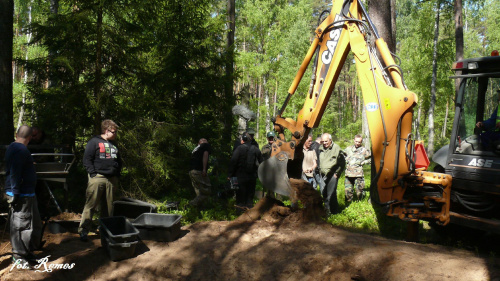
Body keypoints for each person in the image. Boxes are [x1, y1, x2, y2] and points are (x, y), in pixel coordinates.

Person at [4, 125, 42, 266]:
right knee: (21, 225)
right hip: (21, 194)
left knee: (31, 223)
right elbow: (15, 172)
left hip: (27, 193)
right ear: (30, 137)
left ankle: (27, 252)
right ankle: (19, 256)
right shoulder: (20, 150)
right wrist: (15, 192)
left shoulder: (14, 148)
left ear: (16, 134)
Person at [78, 119, 122, 242]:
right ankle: (83, 231)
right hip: (98, 177)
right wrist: (93, 173)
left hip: (112, 179)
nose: (115, 134)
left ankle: (105, 231)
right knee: (90, 205)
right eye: (114, 132)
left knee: (108, 208)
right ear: (106, 130)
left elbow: (118, 160)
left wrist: (117, 174)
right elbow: (87, 159)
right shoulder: (94, 142)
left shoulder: (114, 144)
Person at [228, 132, 262, 207]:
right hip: (252, 177)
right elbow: (262, 162)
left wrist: (230, 174)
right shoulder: (256, 149)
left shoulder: (239, 149)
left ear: (243, 139)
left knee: (240, 198)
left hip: (240, 177)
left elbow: (233, 162)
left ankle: (240, 214)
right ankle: (249, 214)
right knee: (249, 198)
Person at [318, 133, 345, 215]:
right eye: (323, 141)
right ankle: (334, 211)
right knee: (325, 193)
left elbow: (342, 162)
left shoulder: (336, 148)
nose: (324, 143)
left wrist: (337, 173)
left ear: (330, 140)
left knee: (330, 194)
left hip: (332, 175)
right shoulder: (320, 148)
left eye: (326, 141)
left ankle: (328, 212)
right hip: (323, 175)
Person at [344, 135, 371, 203]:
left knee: (359, 191)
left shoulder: (364, 150)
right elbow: (342, 156)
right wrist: (346, 159)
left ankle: (361, 202)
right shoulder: (348, 149)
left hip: (358, 174)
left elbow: (372, 158)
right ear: (354, 140)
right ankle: (348, 203)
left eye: (359, 142)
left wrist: (365, 162)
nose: (357, 143)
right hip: (348, 173)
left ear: (361, 142)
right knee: (348, 191)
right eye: (356, 141)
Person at [188, 138, 212, 207]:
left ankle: (198, 209)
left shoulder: (196, 149)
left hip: (192, 171)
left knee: (198, 192)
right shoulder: (205, 146)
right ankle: (190, 205)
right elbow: (205, 155)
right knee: (206, 191)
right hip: (199, 171)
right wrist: (204, 169)